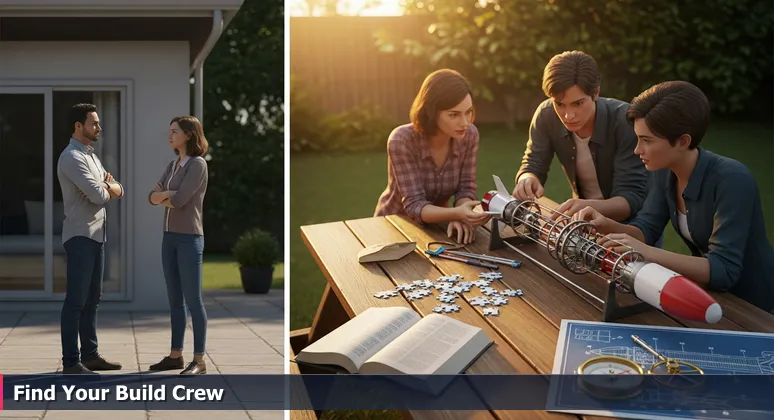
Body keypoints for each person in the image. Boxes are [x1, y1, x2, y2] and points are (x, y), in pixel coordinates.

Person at [574, 81, 774, 313]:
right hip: (711, 299)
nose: (637, 150)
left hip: (757, 308)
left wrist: (646, 252)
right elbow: (646, 229)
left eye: (647, 140)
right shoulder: (664, 171)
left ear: (683, 141)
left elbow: (724, 269)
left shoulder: (733, 180)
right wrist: (605, 224)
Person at [513, 50, 648, 223]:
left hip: (632, 228)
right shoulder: (546, 115)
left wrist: (583, 207)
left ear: (596, 93)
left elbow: (631, 199)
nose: (568, 115)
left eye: (578, 103)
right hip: (582, 222)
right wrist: (527, 179)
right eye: (559, 104)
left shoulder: (625, 122)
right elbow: (533, 163)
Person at [374, 69, 489, 244]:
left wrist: (461, 213)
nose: (465, 122)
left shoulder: (470, 135)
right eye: (454, 114)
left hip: (437, 226)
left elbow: (465, 188)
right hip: (395, 224)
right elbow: (414, 205)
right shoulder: (402, 140)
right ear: (431, 112)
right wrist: (456, 213)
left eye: (468, 112)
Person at [57, 103, 125, 374]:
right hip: (80, 236)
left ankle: (91, 355)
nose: (99, 127)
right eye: (94, 123)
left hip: (97, 236)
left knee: (93, 298)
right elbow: (100, 197)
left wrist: (106, 187)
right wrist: (106, 189)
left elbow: (117, 188)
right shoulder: (71, 157)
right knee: (76, 301)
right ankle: (71, 362)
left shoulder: (92, 157)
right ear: (78, 126)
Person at [147, 116, 210, 374]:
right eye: (169, 131)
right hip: (168, 237)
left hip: (189, 238)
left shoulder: (198, 165)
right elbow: (150, 197)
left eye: (174, 131)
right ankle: (175, 356)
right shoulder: (173, 165)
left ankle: (199, 360)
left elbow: (182, 200)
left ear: (188, 135)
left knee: (193, 300)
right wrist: (166, 196)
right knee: (175, 300)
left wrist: (166, 196)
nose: (169, 135)